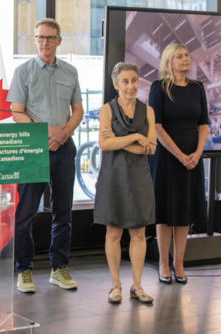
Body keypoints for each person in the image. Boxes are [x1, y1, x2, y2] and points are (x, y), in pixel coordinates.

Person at [7, 18, 84, 293]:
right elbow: (17, 112)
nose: (45, 42)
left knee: (63, 212)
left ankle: (59, 268)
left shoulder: (71, 72)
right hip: (33, 149)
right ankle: (24, 270)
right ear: (35, 40)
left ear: (59, 41)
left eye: (50, 38)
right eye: (40, 37)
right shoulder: (23, 71)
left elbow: (78, 111)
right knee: (25, 214)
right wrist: (47, 134)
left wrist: (63, 133)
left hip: (64, 149)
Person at [94, 62, 156, 304]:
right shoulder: (106, 110)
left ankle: (137, 286)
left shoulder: (148, 111)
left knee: (139, 232)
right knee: (113, 231)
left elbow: (151, 148)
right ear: (115, 84)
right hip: (113, 176)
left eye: (134, 80)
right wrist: (137, 137)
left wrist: (121, 140)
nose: (131, 86)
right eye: (125, 81)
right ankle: (115, 285)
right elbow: (104, 144)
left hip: (139, 177)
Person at [149, 43, 210, 285]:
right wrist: (179, 154)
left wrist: (197, 153)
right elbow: (156, 126)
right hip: (166, 159)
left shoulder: (197, 88)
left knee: (184, 212)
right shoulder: (159, 88)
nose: (186, 59)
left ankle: (179, 263)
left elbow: (204, 123)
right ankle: (163, 263)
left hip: (192, 159)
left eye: (186, 55)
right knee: (165, 212)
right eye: (180, 56)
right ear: (168, 62)